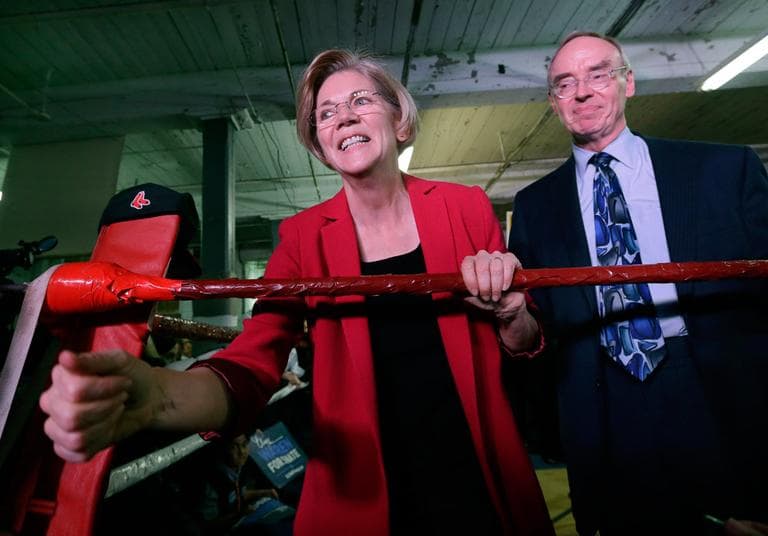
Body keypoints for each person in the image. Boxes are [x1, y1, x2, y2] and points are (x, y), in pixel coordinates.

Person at [39, 49, 554, 535]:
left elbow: (524, 341)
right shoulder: (304, 237)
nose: (344, 118)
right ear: (320, 144)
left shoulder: (464, 207)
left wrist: (512, 311)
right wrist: (159, 396)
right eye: (326, 114)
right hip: (365, 494)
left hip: (479, 474)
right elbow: (254, 359)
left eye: (361, 101)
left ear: (399, 121)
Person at [507, 31, 768, 535]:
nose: (581, 92)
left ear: (628, 83)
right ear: (553, 102)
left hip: (713, 388)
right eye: (564, 83)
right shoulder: (535, 206)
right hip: (604, 402)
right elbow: (538, 324)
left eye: (598, 74)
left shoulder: (722, 168)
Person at [197, 433, 295, 536]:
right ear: (222, 450)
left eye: (244, 445)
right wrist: (239, 515)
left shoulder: (240, 467)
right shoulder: (210, 483)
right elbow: (207, 525)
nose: (242, 452)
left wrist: (263, 493)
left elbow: (238, 494)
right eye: (233, 447)